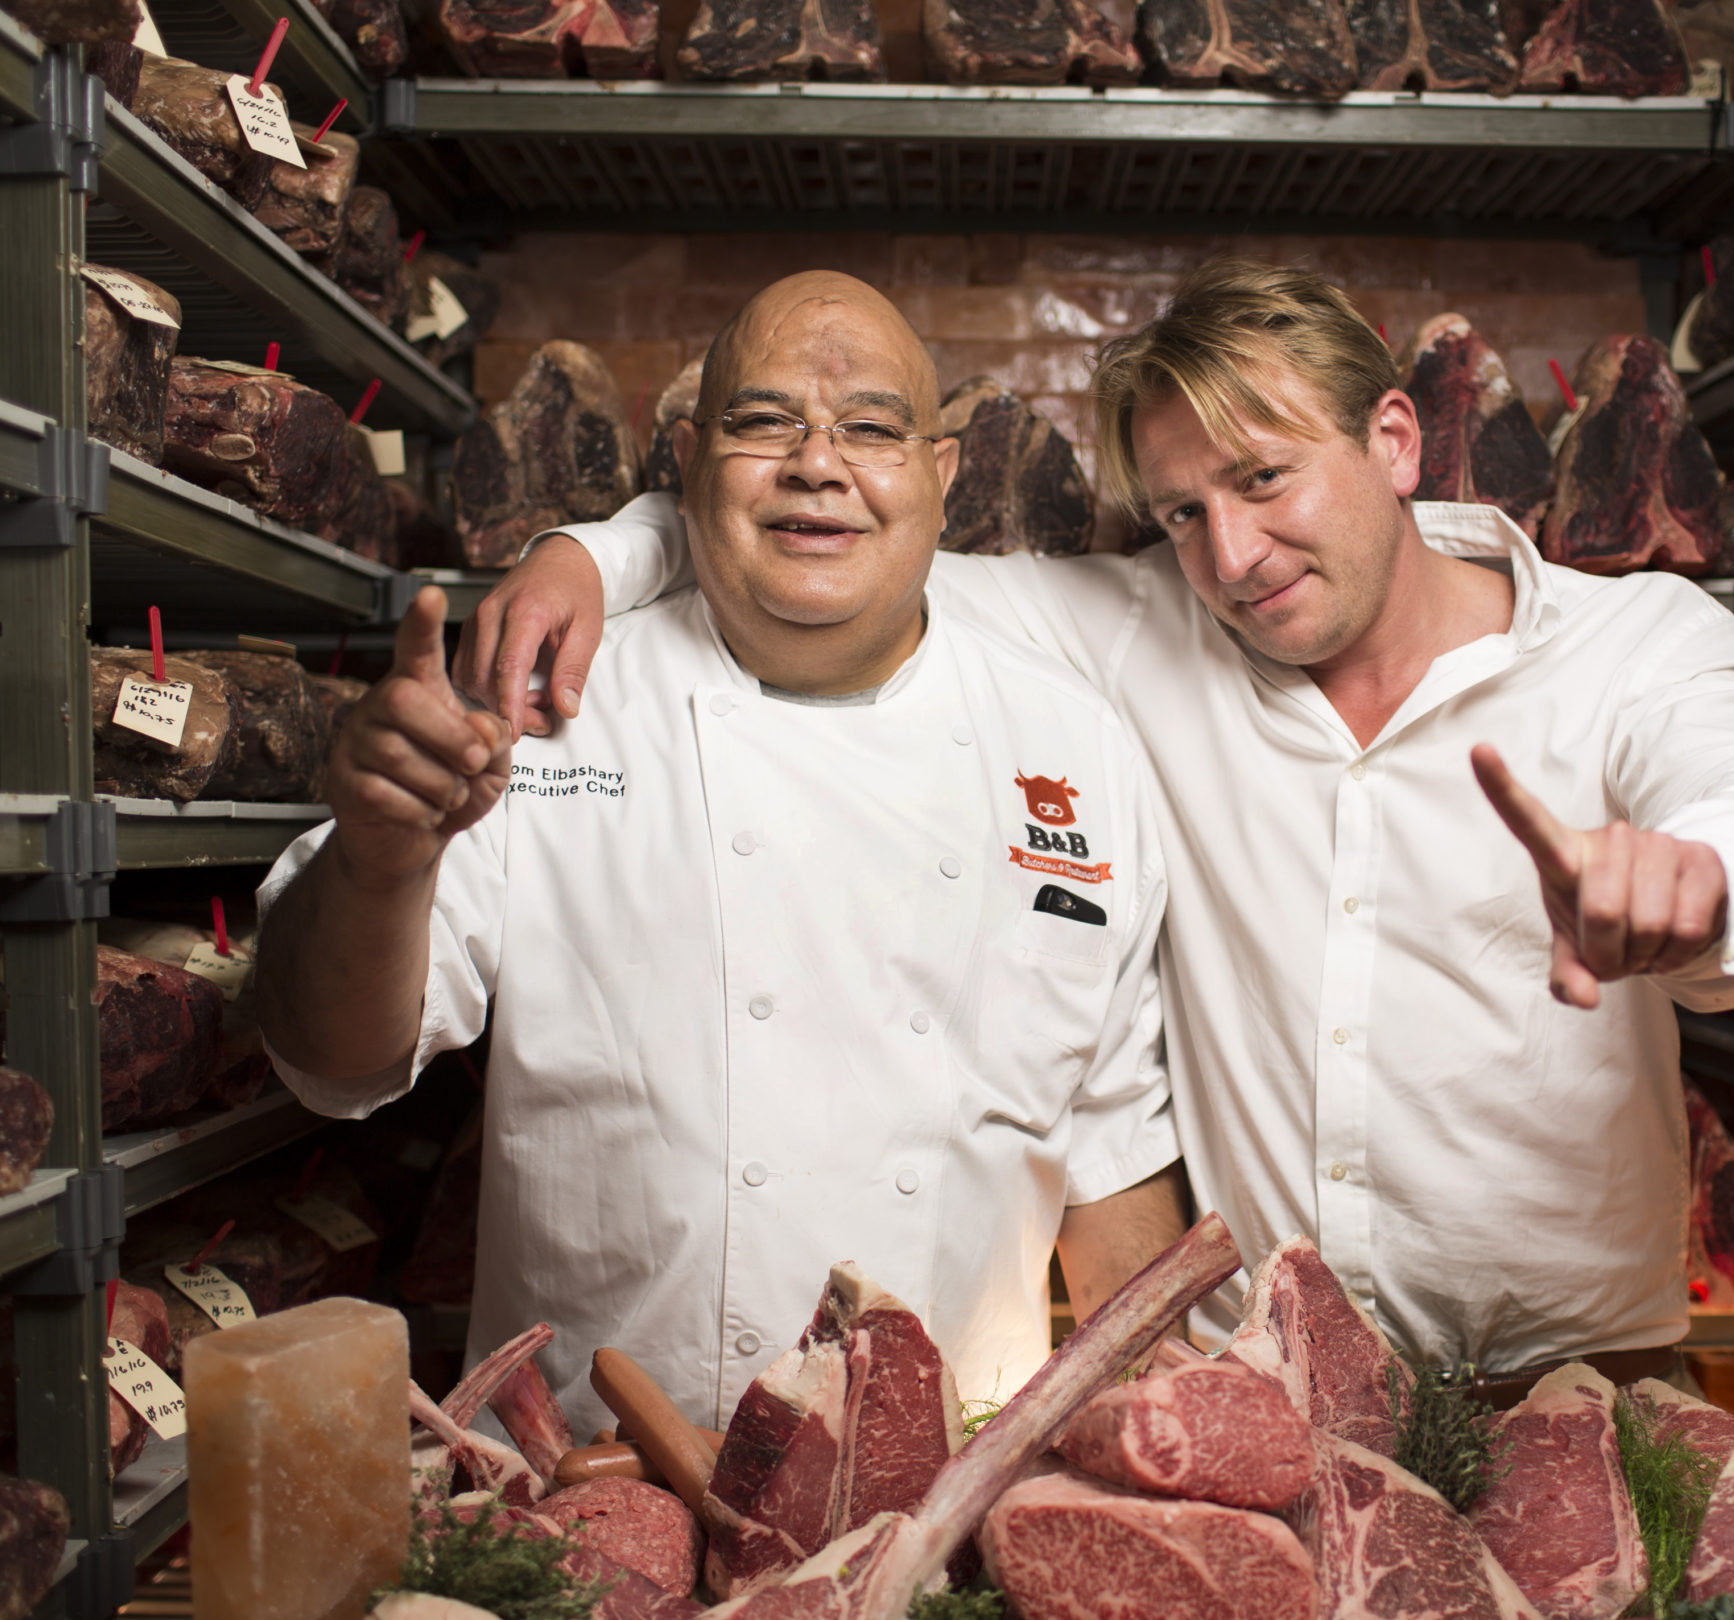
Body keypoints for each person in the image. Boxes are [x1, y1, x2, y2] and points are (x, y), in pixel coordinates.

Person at [460, 259, 1734, 1399]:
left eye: (1261, 480)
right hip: (1268, 1386)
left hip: (1579, 1380)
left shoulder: (1633, 650)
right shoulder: (1149, 629)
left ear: (1391, 438)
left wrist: (1705, 877)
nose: (1231, 557)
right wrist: (593, 549)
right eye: (1183, 512)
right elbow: (824, 531)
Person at [254, 273, 1187, 1432]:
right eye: (762, 423)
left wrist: (1158, 1444)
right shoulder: (542, 706)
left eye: (872, 429)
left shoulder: (1074, 744)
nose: (816, 463)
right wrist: (379, 861)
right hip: (588, 1504)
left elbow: (1113, 1156)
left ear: (941, 477)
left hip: (946, 1494)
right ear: (689, 461)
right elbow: (332, 1061)